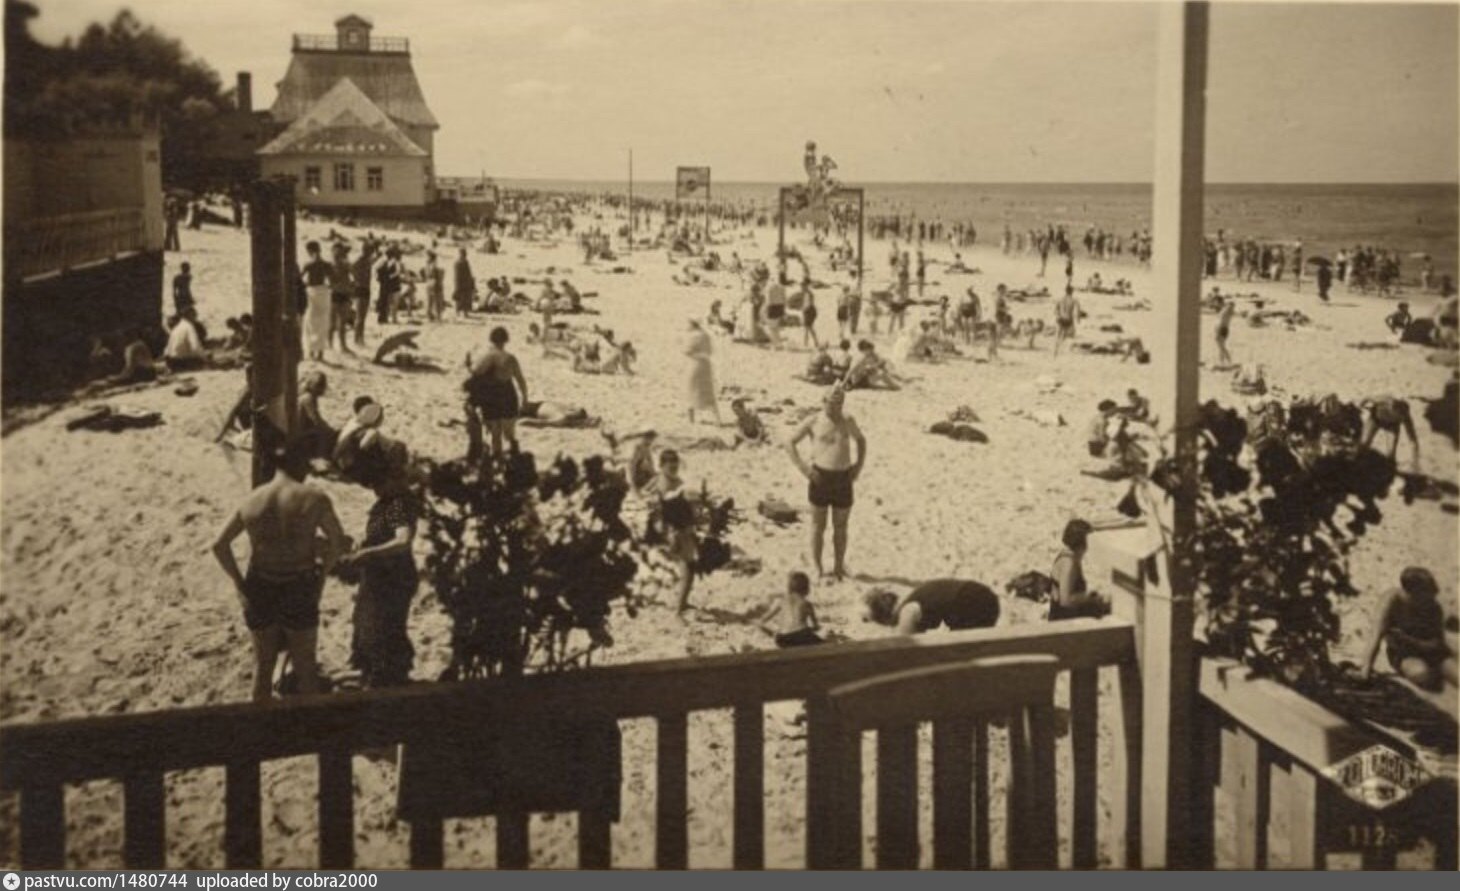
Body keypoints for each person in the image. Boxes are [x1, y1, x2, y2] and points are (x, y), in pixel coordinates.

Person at [211, 439, 349, 701]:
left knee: (263, 668)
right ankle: (309, 725)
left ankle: (262, 724)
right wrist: (322, 574)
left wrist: (240, 584)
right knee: (305, 668)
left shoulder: (252, 499)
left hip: (260, 585)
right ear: (300, 465)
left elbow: (219, 545)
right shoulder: (315, 498)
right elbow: (337, 542)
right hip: (299, 585)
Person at [341, 440, 420, 688]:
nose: (374, 489)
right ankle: (375, 675)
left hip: (392, 576)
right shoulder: (387, 503)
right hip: (379, 576)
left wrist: (369, 553)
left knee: (383, 629)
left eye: (378, 483)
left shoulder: (398, 504)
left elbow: (403, 541)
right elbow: (382, 534)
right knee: (371, 626)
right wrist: (364, 544)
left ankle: (385, 680)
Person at [787, 386, 866, 580]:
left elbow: (861, 441)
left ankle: (838, 566)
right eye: (831, 402)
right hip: (820, 477)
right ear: (823, 401)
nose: (835, 407)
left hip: (843, 478)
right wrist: (804, 469)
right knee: (817, 526)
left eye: (839, 403)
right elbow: (790, 443)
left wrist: (858, 466)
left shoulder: (848, 420)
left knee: (841, 526)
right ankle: (817, 567)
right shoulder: (813, 420)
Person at [1360, 567, 1456, 691]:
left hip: (1432, 651)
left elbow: (1437, 644)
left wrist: (1409, 640)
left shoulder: (1433, 605)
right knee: (1421, 674)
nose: (1429, 599)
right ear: (1411, 593)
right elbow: (1375, 636)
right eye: (1424, 595)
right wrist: (1365, 671)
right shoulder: (1391, 600)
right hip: (1403, 654)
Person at [464, 326, 528, 463]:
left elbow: (475, 372)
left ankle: (497, 458)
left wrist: (468, 363)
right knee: (509, 432)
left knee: (495, 432)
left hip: (493, 396)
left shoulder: (489, 356)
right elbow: (521, 380)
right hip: (509, 395)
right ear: (506, 340)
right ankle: (514, 450)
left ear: (492, 339)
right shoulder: (511, 358)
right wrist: (525, 398)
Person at [644, 449, 698, 613]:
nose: (674, 470)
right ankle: (678, 609)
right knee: (687, 567)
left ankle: (681, 604)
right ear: (662, 466)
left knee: (689, 567)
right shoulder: (659, 485)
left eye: (676, 466)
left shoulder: (673, 480)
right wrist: (668, 532)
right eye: (671, 467)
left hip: (683, 528)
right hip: (673, 530)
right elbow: (655, 511)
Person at [862, 579, 1001, 635]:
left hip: (967, 601)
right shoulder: (916, 596)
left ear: (887, 620)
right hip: (985, 596)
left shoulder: (907, 611)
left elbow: (907, 649)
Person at [1050, 519, 1109, 620]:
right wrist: (1090, 597)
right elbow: (1066, 600)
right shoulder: (1069, 563)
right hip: (1064, 619)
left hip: (1064, 614)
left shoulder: (1068, 556)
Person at [759, 571, 822, 647]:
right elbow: (816, 627)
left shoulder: (782, 601)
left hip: (783, 638)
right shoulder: (806, 603)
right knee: (823, 645)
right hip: (802, 635)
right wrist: (813, 629)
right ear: (806, 588)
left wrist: (773, 634)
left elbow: (761, 622)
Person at [1361, 396, 1420, 470]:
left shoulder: (1406, 417)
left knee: (1391, 454)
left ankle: (1389, 470)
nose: (1402, 419)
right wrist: (1361, 406)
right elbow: (1368, 398)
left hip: (1392, 426)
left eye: (1402, 418)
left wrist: (1415, 460)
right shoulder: (1386, 400)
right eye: (1399, 417)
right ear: (1393, 409)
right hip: (1375, 420)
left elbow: (1413, 439)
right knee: (1363, 445)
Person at [684, 319, 721, 424]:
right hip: (706, 365)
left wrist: (694, 354)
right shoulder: (706, 335)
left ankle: (691, 420)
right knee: (708, 391)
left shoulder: (693, 336)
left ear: (692, 324)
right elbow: (710, 351)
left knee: (692, 389)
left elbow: (687, 351)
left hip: (695, 364)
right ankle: (717, 419)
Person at [300, 241, 332, 361]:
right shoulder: (326, 264)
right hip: (323, 292)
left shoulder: (309, 264)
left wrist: (306, 284)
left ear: (310, 251)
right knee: (322, 322)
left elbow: (300, 278)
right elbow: (334, 280)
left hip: (312, 292)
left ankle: (312, 351)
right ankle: (320, 353)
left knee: (311, 322)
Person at [329, 242, 354, 354]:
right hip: (337, 293)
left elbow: (352, 276)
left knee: (340, 322)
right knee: (334, 322)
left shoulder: (343, 264)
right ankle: (333, 345)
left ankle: (340, 345)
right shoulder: (333, 265)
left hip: (342, 293)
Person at [352, 240, 376, 347]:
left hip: (365, 288)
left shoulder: (367, 260)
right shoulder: (360, 259)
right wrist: (356, 280)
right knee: (360, 316)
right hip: (360, 288)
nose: (371, 253)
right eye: (370, 250)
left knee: (363, 316)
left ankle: (360, 338)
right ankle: (357, 339)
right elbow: (351, 269)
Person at [1054, 285, 1080, 356]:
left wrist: (1058, 316)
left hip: (1060, 319)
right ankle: (1062, 349)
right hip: (1068, 319)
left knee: (1058, 334)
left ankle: (1056, 349)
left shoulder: (1060, 299)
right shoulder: (1074, 300)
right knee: (1069, 335)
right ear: (1072, 291)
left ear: (1065, 291)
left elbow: (1055, 310)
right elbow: (1077, 311)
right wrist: (1078, 319)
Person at [453, 247, 475, 317]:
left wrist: (471, 282)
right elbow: (457, 275)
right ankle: (459, 313)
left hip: (465, 283)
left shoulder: (465, 262)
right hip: (461, 283)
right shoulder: (458, 263)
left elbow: (469, 273)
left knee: (465, 298)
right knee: (460, 298)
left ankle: (464, 313)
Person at [424, 251, 446, 322]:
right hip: (435, 283)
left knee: (429, 300)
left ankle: (429, 316)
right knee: (437, 300)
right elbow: (439, 274)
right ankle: (438, 316)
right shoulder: (434, 265)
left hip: (428, 282)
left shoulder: (427, 264)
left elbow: (426, 274)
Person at [1215, 295, 1236, 367]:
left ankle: (1229, 361)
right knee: (1221, 347)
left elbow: (1220, 321)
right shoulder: (1227, 310)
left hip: (1221, 329)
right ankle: (1222, 362)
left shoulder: (1225, 309)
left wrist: (1217, 331)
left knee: (1221, 347)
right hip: (1224, 329)